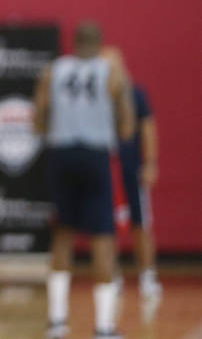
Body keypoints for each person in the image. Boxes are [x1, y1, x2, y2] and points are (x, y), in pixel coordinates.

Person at [34, 21, 135, 339]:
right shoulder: (112, 71)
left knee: (62, 234)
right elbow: (128, 126)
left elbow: (39, 115)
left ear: (73, 43)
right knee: (103, 236)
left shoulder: (55, 70)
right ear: (100, 42)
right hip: (94, 154)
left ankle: (57, 322)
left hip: (61, 153)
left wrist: (54, 131)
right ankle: (104, 327)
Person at [103, 47, 161, 302]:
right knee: (106, 226)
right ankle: (111, 276)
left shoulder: (136, 95)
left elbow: (148, 130)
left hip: (131, 169)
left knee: (141, 224)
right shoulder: (96, 97)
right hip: (104, 172)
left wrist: (150, 163)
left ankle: (147, 276)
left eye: (114, 66)